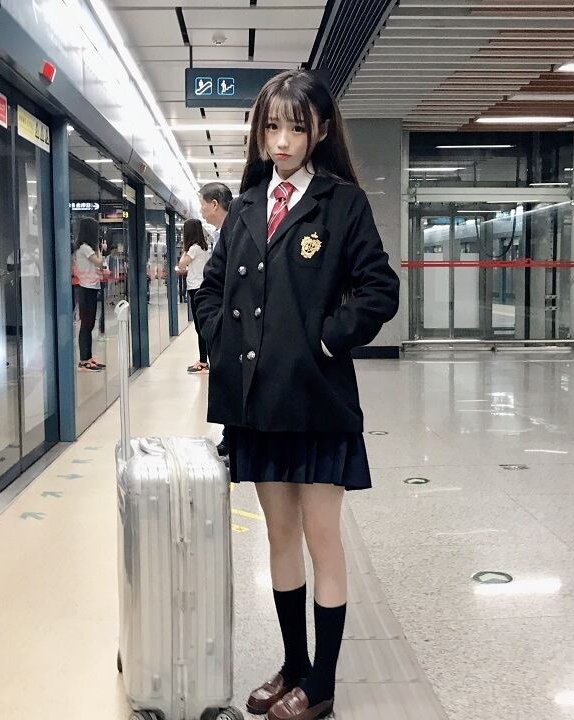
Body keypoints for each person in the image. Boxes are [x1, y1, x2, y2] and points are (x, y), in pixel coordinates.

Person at [194, 70, 399, 720]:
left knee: (321, 537)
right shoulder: (247, 207)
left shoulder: (342, 204)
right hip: (257, 405)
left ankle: (323, 683)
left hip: (316, 402)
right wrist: (218, 338)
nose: (282, 141)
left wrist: (327, 340)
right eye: (272, 127)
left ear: (321, 132)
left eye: (296, 128)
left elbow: (380, 288)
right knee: (279, 538)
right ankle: (293, 666)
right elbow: (210, 288)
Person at [198, 182, 233, 455]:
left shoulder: (235, 231)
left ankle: (232, 437)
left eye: (202, 204)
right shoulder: (221, 233)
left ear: (214, 204)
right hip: (222, 319)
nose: (201, 210)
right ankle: (229, 435)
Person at [177, 219, 211, 373]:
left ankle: (203, 362)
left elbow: (181, 264)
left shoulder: (193, 248)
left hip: (195, 289)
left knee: (199, 327)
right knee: (201, 326)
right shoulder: (203, 248)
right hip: (201, 287)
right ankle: (204, 360)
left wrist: (185, 250)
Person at [73, 217, 106, 371]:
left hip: (91, 287)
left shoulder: (86, 248)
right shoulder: (85, 248)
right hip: (86, 288)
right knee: (86, 324)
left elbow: (99, 267)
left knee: (90, 323)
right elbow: (99, 262)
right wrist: (101, 249)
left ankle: (88, 357)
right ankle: (84, 359)